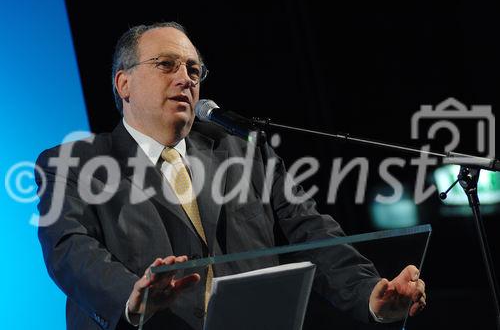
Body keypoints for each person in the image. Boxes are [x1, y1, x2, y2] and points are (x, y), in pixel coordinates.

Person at [36, 22, 426, 330]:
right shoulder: (73, 163)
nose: (186, 78)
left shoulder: (245, 153)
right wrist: (131, 298)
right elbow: (70, 250)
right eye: (166, 65)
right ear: (124, 84)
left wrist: (369, 292)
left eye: (193, 69)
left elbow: (312, 232)